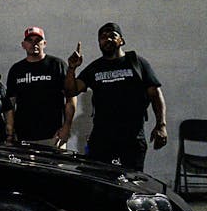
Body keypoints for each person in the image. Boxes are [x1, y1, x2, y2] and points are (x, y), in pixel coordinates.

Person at [64, 22, 167, 171]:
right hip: (102, 137)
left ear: (121, 41)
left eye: (112, 35)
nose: (108, 39)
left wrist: (161, 125)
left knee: (131, 179)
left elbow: (155, 94)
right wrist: (71, 68)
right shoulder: (95, 67)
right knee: (98, 178)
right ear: (99, 43)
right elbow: (71, 91)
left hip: (132, 137)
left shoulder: (137, 63)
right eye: (103, 37)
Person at [5, 26, 76, 147]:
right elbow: (10, 103)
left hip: (53, 136)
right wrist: (10, 132)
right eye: (30, 40)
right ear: (23, 45)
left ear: (44, 43)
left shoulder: (57, 65)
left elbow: (71, 97)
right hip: (23, 136)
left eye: (38, 40)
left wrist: (67, 127)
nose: (34, 44)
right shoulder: (16, 69)